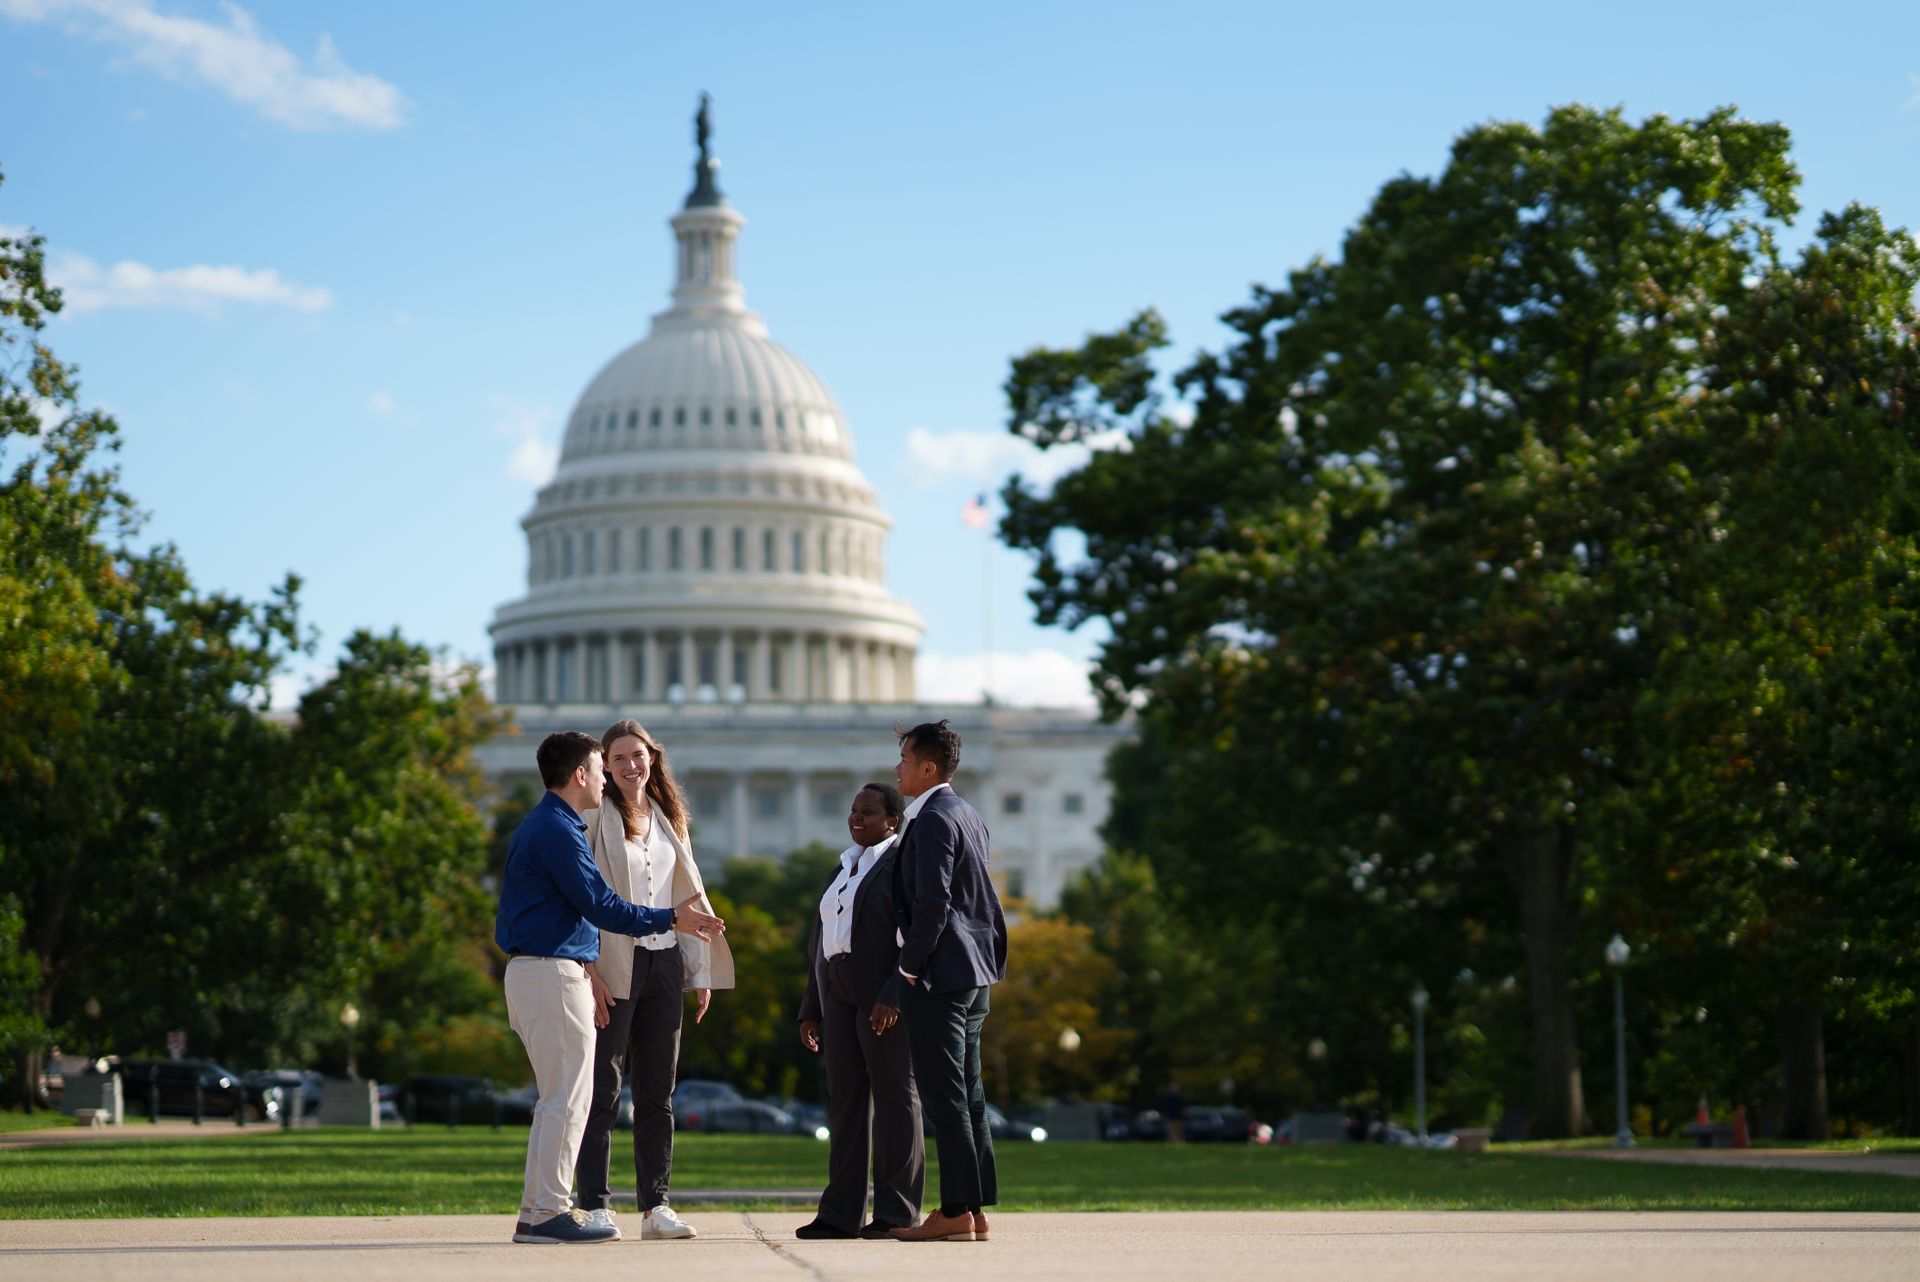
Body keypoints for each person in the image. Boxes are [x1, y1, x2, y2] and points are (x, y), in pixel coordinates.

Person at [494, 731, 724, 1246]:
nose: (606, 777)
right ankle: (552, 1210)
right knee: (570, 1100)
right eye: (601, 766)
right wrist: (671, 918)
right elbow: (602, 905)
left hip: (546, 970)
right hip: (553, 971)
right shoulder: (559, 829)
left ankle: (537, 1210)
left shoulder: (551, 824)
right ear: (581, 774)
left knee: (559, 1099)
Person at [574, 719, 734, 1242]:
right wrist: (590, 968)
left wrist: (699, 969)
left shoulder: (670, 819)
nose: (629, 766)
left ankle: (656, 1207)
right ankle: (595, 1203)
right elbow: (583, 898)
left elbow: (686, 897)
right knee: (603, 1087)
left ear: (652, 758)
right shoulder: (596, 816)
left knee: (658, 1092)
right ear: (604, 765)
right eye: (617, 758)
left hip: (664, 962)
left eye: (637, 755)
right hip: (615, 962)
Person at [888, 720, 1008, 1243]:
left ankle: (956, 1210)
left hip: (940, 972)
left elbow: (934, 905)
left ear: (928, 768)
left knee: (946, 1097)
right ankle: (975, 1210)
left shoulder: (933, 819)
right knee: (970, 1094)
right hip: (975, 971)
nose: (898, 769)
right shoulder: (967, 813)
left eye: (905, 759)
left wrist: (908, 968)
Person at [794, 782, 925, 1240]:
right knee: (846, 1105)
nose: (857, 818)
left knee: (894, 1101)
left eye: (868, 813)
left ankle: (897, 1212)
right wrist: (812, 1006)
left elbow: (915, 936)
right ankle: (839, 1214)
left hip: (883, 998)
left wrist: (895, 994)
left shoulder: (899, 864)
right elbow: (822, 943)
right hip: (838, 994)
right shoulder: (842, 868)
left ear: (893, 821)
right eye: (854, 811)